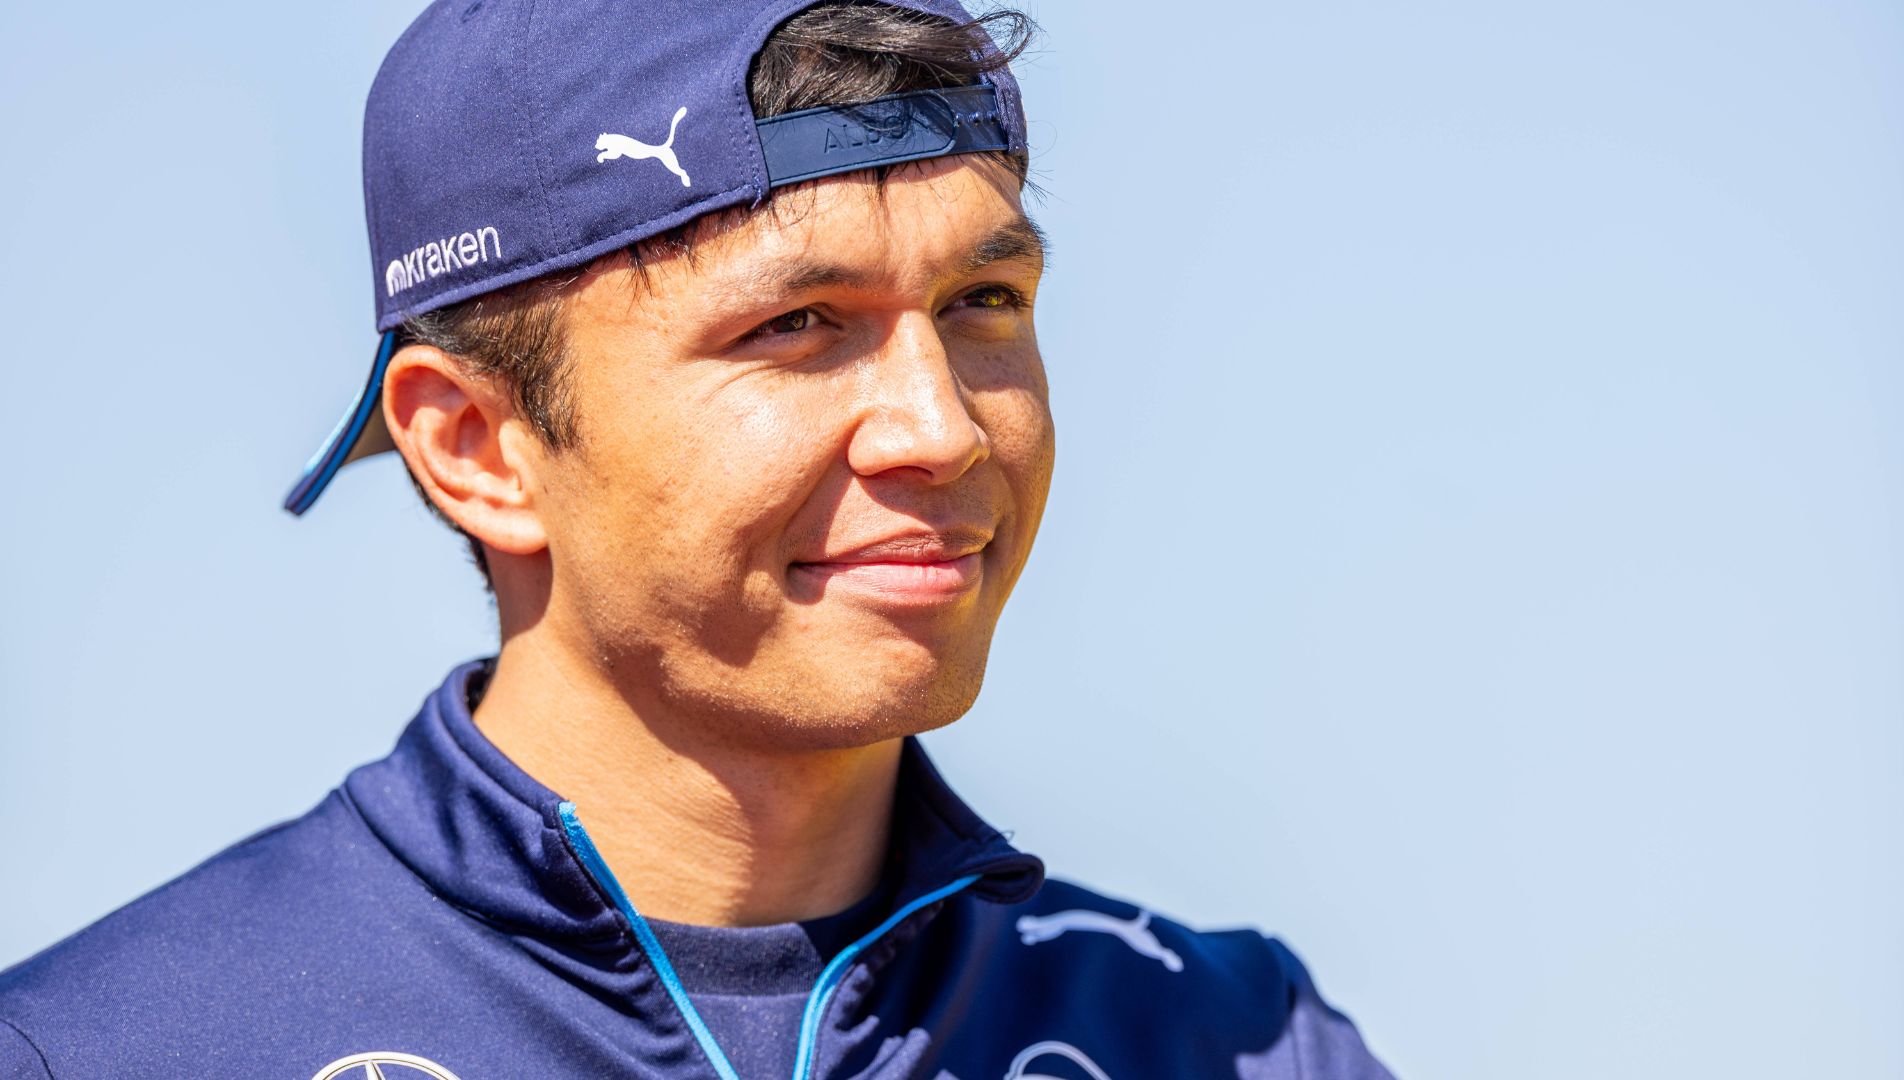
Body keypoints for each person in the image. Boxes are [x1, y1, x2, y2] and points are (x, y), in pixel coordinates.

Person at [0, 2, 1396, 1077]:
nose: (944, 430)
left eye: (984, 300)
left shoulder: (1229, 1039)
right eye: (796, 326)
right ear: (477, 448)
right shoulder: (109, 1049)